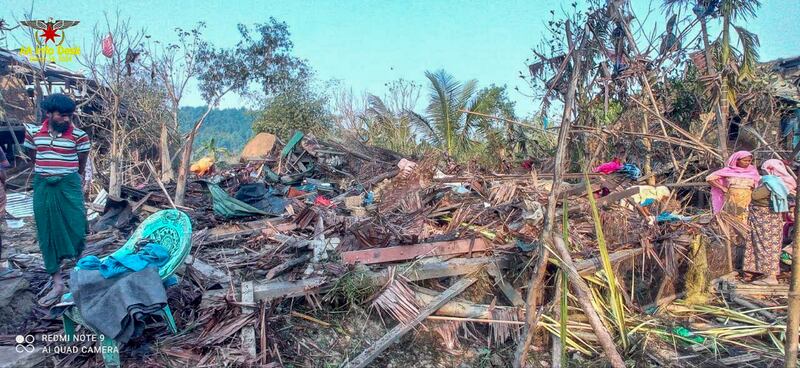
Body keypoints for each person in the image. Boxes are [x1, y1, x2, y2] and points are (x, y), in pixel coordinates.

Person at [23, 93, 91, 306]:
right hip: (43, 186)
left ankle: (82, 278)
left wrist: (69, 177)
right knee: (47, 232)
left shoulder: (79, 136)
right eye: (62, 115)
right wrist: (48, 172)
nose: (67, 119)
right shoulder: (33, 133)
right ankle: (58, 284)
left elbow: (81, 163)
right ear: (48, 113)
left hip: (69, 186)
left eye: (70, 115)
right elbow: (33, 157)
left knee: (78, 228)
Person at [746, 160, 794, 285]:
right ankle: (767, 274)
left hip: (765, 219)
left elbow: (756, 196)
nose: (762, 172)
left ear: (770, 169)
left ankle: (770, 277)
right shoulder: (782, 182)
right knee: (770, 245)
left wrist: (753, 189)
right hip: (771, 219)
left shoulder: (771, 182)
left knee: (766, 245)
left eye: (764, 170)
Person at [706, 151, 762, 224]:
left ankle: (743, 230)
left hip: (747, 198)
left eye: (749, 161)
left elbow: (757, 182)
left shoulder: (752, 171)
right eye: (745, 160)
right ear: (737, 160)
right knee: (733, 216)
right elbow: (709, 178)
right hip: (732, 198)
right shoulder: (728, 170)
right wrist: (722, 188)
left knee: (745, 217)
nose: (747, 163)